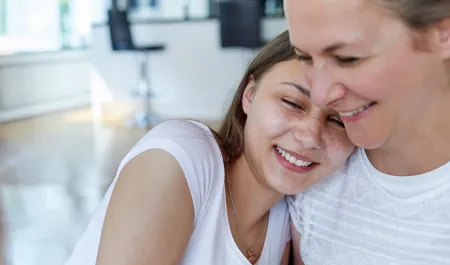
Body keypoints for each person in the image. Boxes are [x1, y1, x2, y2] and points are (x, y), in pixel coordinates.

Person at [63, 30, 354, 265]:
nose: (310, 136)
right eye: (292, 102)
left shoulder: (286, 221)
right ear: (249, 95)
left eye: (338, 121)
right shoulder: (179, 158)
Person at [284, 0, 450, 264]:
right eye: (304, 57)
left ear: (442, 34)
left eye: (348, 59)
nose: (320, 95)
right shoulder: (317, 171)